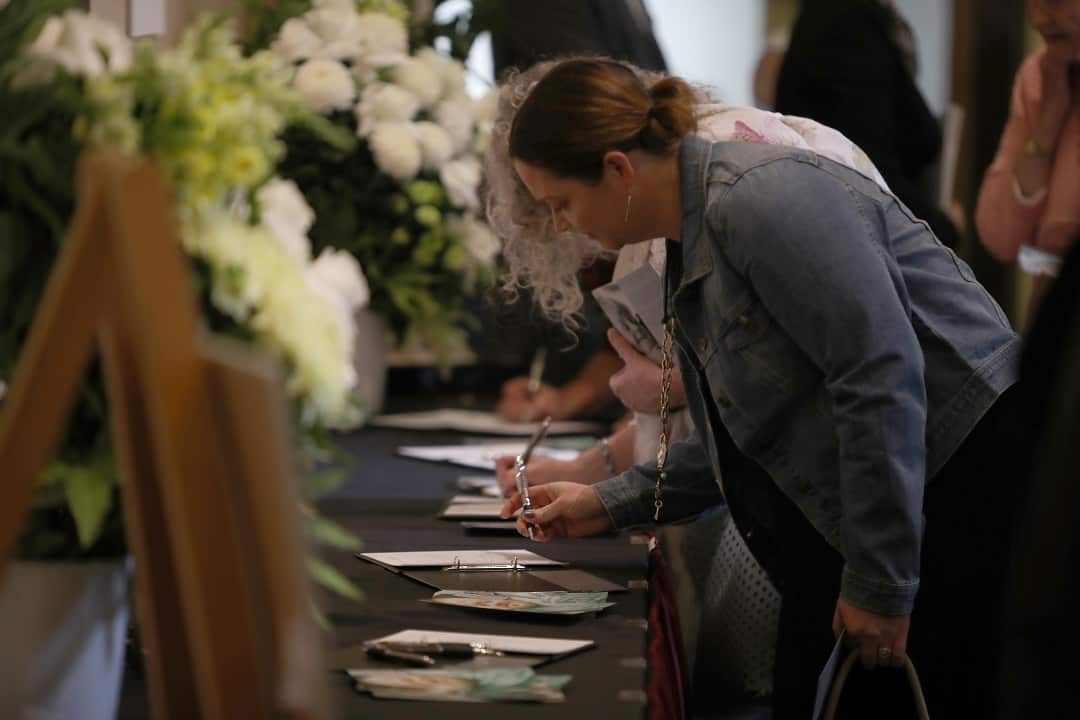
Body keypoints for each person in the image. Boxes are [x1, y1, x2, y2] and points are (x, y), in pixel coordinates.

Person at [492, 57, 1023, 718]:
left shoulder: (759, 199)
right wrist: (607, 502)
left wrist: (881, 583)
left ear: (617, 169)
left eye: (560, 204)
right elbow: (743, 427)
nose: (564, 225)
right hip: (879, 494)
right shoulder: (693, 232)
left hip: (950, 485)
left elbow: (880, 379)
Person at [775, 0, 963, 249]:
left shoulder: (844, 17)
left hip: (846, 235)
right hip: (854, 242)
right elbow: (865, 166)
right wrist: (941, 228)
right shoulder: (849, 20)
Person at [975, 0, 1080, 324]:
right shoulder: (1040, 76)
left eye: (1053, 1)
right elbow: (998, 235)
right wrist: (1047, 121)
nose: (1037, 19)